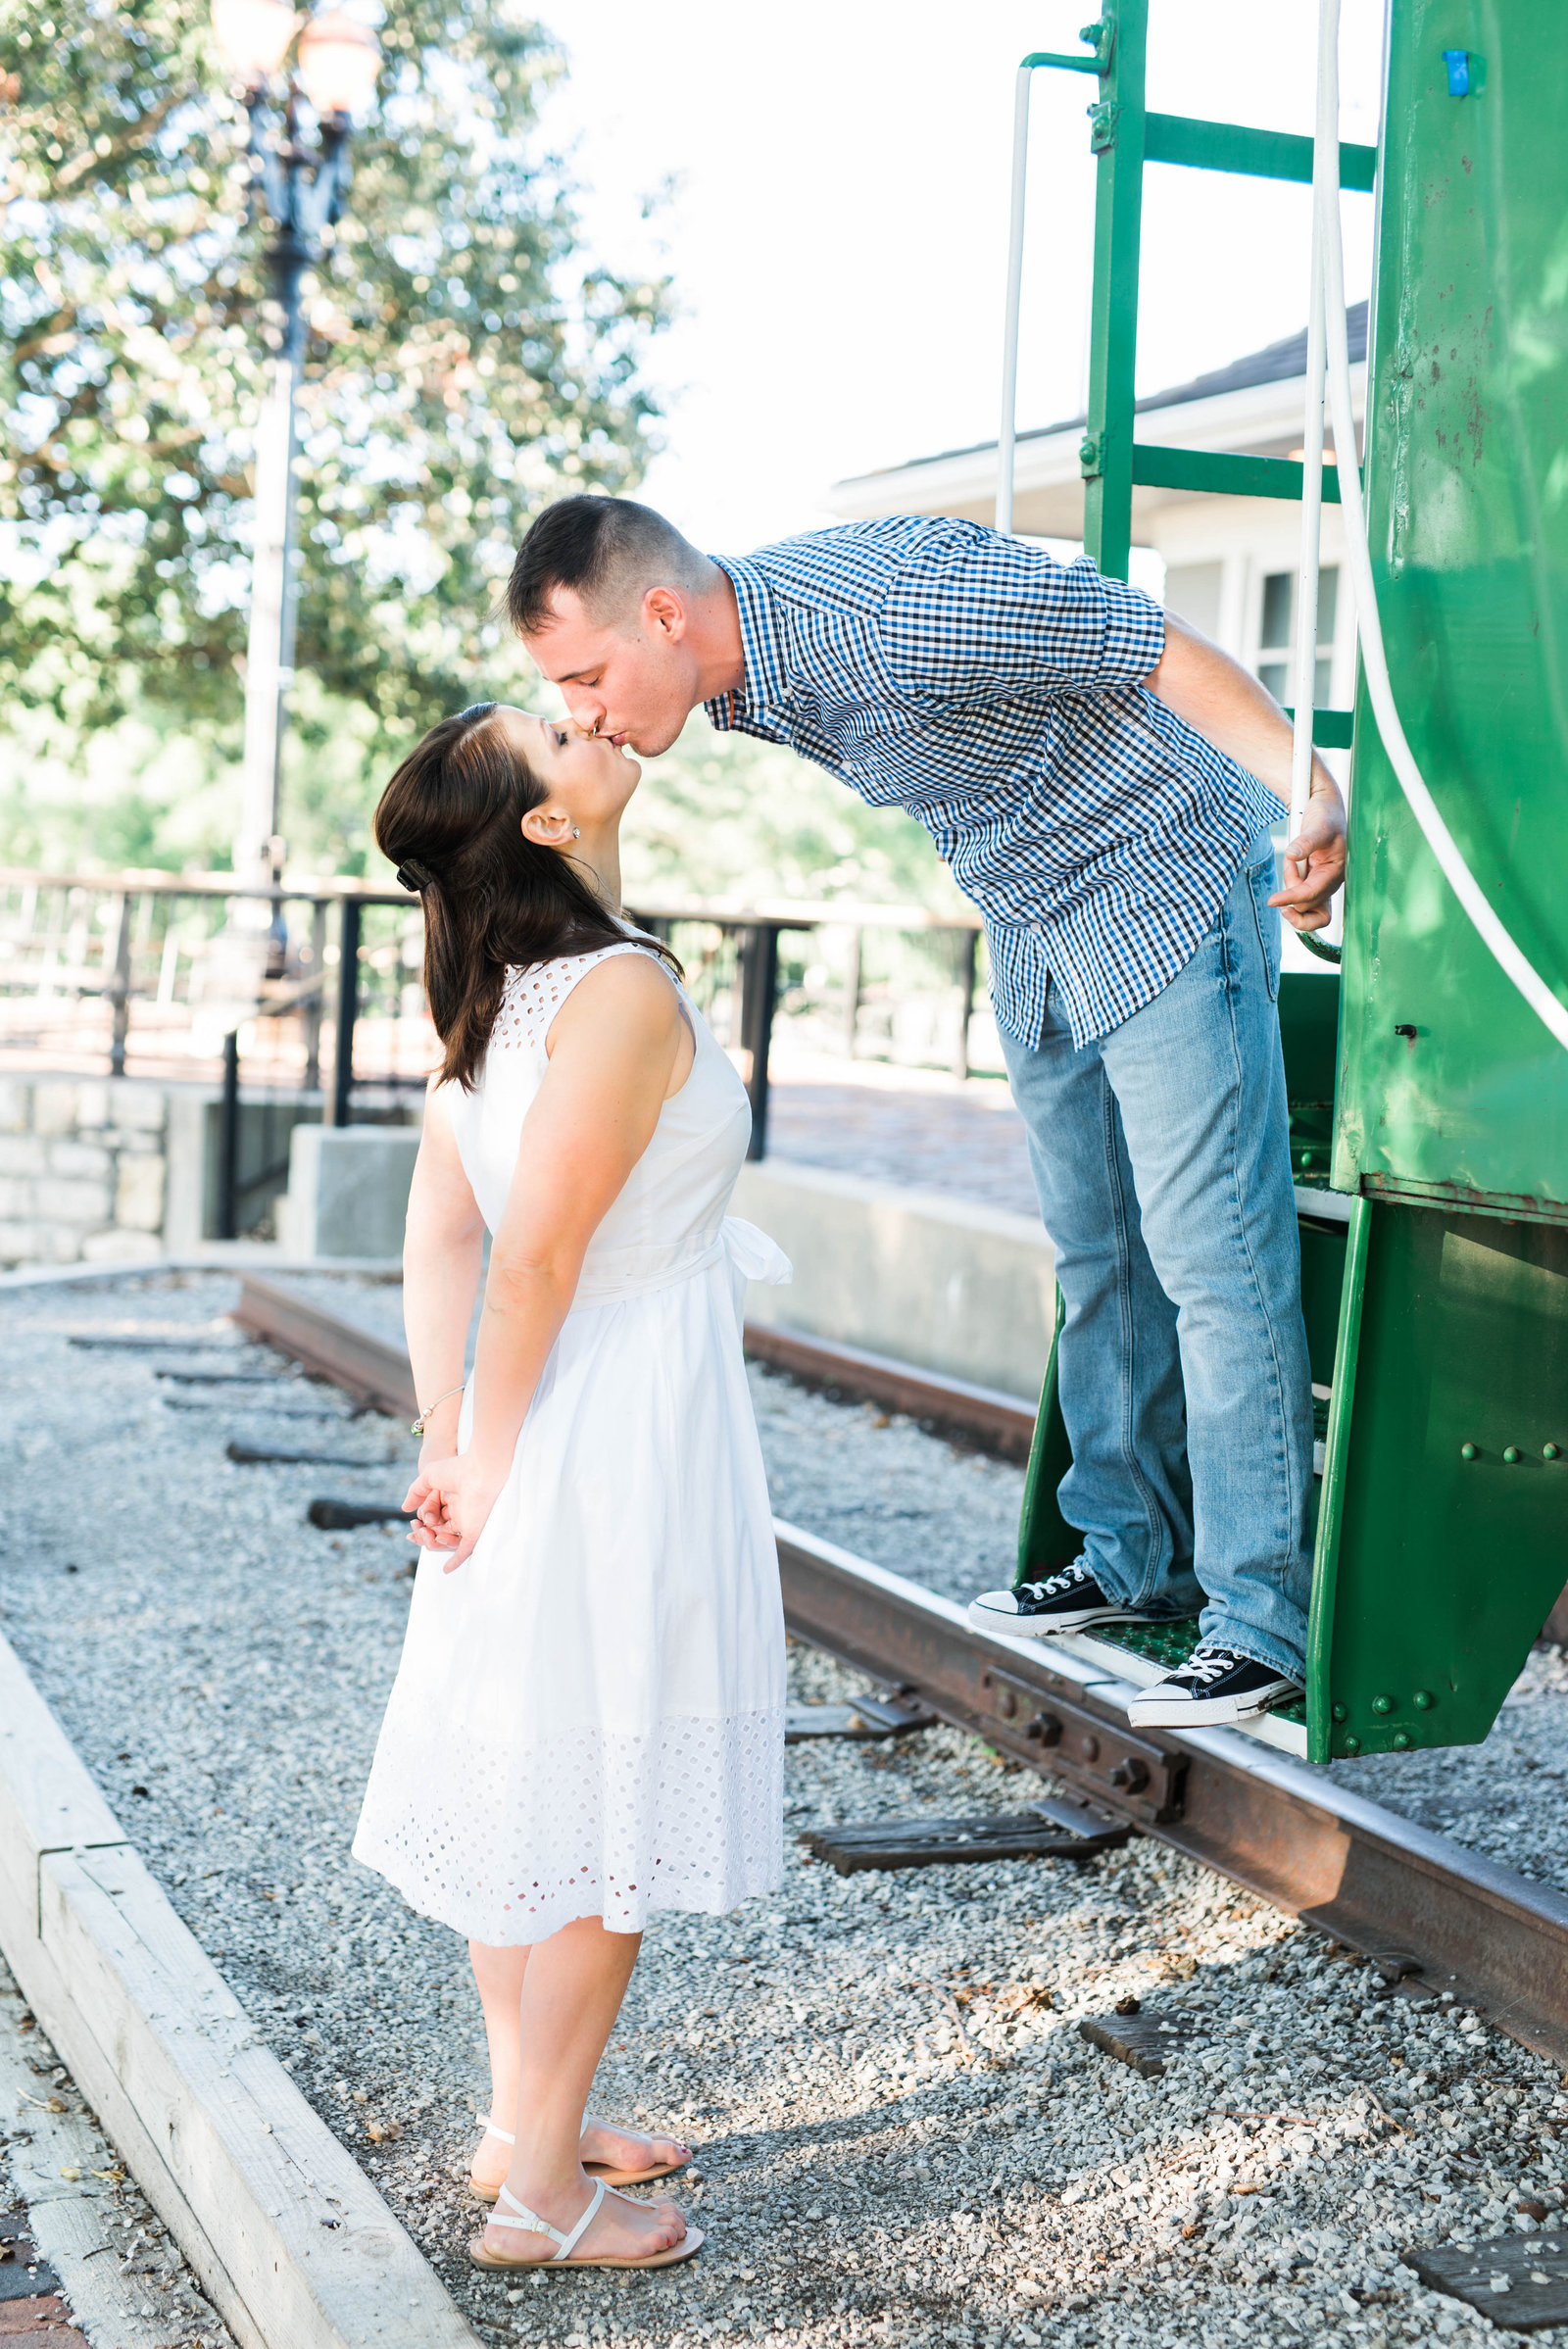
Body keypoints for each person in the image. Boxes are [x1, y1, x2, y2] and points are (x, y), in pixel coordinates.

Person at [504, 496, 1348, 1731]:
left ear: (666, 615)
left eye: (585, 676)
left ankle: (1260, 1622)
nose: (581, 712)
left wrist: (1307, 792)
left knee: (1214, 1263)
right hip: (1036, 920)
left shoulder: (897, 616)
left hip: (1160, 879)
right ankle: (1133, 1556)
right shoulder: (736, 674)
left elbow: (1152, 643)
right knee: (1099, 1255)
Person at [351, 700, 790, 2274]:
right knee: (611, 1797)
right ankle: (543, 2196)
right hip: (614, 1427)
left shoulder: (500, 989)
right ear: (547, 821)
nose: (592, 718)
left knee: (533, 1773)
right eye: (555, 727)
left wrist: (451, 1437)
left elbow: (442, 1232)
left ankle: (521, 2122)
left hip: (535, 1416)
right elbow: (527, 1256)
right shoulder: (614, 988)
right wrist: (483, 1452)